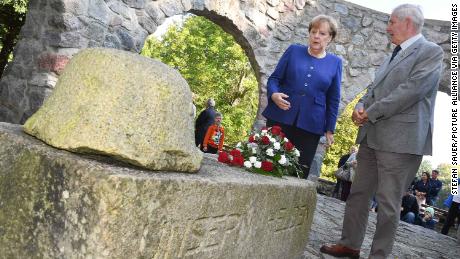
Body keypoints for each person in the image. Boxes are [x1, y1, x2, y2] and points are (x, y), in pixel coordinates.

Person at [320, 4, 444, 259]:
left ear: (407, 23)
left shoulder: (431, 53)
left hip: (401, 143)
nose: (387, 28)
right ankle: (350, 244)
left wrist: (371, 111)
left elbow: (411, 91)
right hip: (371, 137)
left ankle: (379, 255)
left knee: (388, 204)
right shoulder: (393, 55)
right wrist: (361, 106)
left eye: (391, 22)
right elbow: (373, 88)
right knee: (358, 194)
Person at [262, 14, 342, 179]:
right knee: (267, 164)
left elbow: (333, 98)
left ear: (330, 38)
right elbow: (274, 79)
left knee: (298, 172)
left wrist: (329, 129)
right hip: (280, 116)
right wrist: (274, 94)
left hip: (311, 125)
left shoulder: (335, 63)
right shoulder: (294, 51)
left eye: (322, 33)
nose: (316, 36)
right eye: (313, 31)